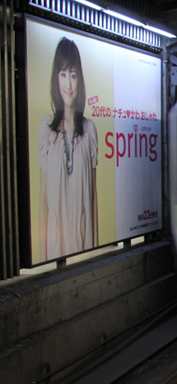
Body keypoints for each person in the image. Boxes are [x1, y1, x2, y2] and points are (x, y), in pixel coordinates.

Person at [39, 37, 98, 260]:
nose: (68, 84)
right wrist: (43, 260)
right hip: (55, 248)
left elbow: (93, 197)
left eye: (73, 75)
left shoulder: (89, 130)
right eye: (63, 74)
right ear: (56, 77)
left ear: (79, 79)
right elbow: (43, 201)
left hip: (84, 243)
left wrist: (97, 251)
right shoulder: (46, 129)